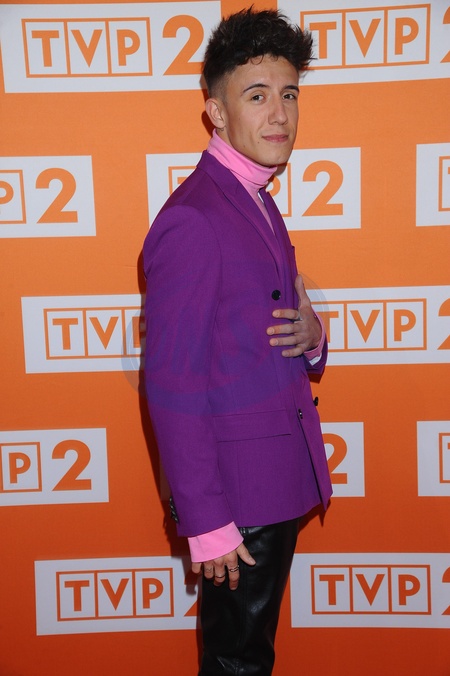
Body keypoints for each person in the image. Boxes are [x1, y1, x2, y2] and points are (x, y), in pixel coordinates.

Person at [143, 8, 332, 675]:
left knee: (249, 657)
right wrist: (207, 523)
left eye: (289, 94)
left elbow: (269, 329)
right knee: (237, 664)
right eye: (257, 96)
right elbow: (171, 386)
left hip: (272, 480)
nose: (280, 114)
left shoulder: (255, 195)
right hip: (237, 502)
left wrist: (313, 338)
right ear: (216, 114)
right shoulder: (194, 219)